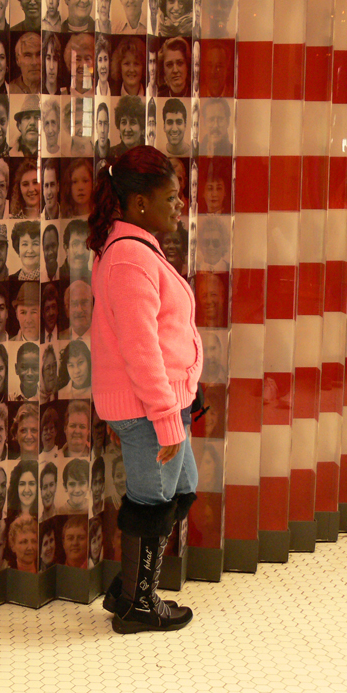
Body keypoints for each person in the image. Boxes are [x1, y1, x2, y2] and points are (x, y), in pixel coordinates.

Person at [87, 146, 199, 633]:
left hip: (160, 406)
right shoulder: (130, 258)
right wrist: (163, 417)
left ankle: (129, 587)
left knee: (181, 489)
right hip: (152, 409)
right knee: (151, 503)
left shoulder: (136, 248)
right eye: (171, 198)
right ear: (138, 205)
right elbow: (141, 351)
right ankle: (138, 606)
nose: (180, 207)